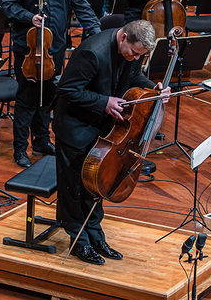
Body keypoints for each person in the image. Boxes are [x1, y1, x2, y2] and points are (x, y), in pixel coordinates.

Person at [52, 20, 166, 264]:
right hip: (74, 127)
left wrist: (153, 88)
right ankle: (78, 240)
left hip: (102, 127)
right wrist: (104, 102)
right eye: (134, 53)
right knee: (74, 188)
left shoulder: (131, 54)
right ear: (123, 38)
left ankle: (95, 235)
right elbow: (66, 90)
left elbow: (134, 74)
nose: (136, 58)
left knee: (96, 184)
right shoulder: (91, 52)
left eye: (141, 56)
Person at [2, 0, 101, 168]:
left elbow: (81, 5)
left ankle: (42, 141)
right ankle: (19, 149)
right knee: (27, 98)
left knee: (48, 96)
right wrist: (29, 16)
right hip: (28, 48)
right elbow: (8, 4)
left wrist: (99, 35)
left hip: (55, 46)